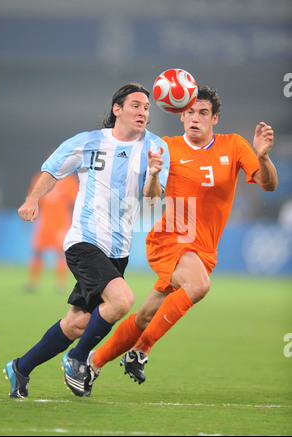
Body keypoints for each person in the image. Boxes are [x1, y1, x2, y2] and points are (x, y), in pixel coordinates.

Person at [85, 85, 278, 388]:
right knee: (199, 285)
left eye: (203, 113)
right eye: (189, 112)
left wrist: (263, 157)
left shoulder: (235, 146)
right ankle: (140, 351)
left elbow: (268, 185)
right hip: (170, 238)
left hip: (203, 250)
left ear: (215, 119)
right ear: (180, 116)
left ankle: (91, 363)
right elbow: (151, 197)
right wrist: (152, 174)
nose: (195, 118)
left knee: (147, 317)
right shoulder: (167, 147)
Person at [4, 82, 170, 398]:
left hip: (118, 250)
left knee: (76, 324)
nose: (142, 112)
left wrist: (153, 175)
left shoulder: (156, 148)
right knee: (121, 300)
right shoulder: (89, 142)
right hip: (84, 241)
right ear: (117, 109)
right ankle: (78, 359)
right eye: (135, 105)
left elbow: (152, 198)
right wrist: (32, 199)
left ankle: (20, 368)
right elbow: (52, 170)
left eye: (146, 107)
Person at [25, 171, 78, 292]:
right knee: (37, 251)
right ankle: (33, 282)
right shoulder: (40, 178)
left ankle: (61, 283)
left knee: (61, 252)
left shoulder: (68, 180)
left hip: (61, 223)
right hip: (44, 223)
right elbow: (32, 199)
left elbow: (75, 200)